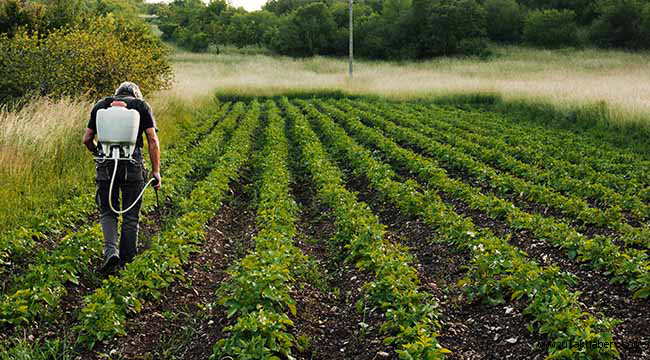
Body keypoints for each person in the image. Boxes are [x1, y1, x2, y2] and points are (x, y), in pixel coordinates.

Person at [82, 82, 161, 273]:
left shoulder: (101, 105)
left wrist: (98, 153)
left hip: (105, 164)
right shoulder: (142, 106)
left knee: (107, 212)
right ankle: (127, 262)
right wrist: (156, 171)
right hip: (132, 165)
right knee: (130, 215)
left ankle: (111, 253)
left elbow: (86, 139)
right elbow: (152, 139)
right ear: (136, 94)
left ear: (117, 94)